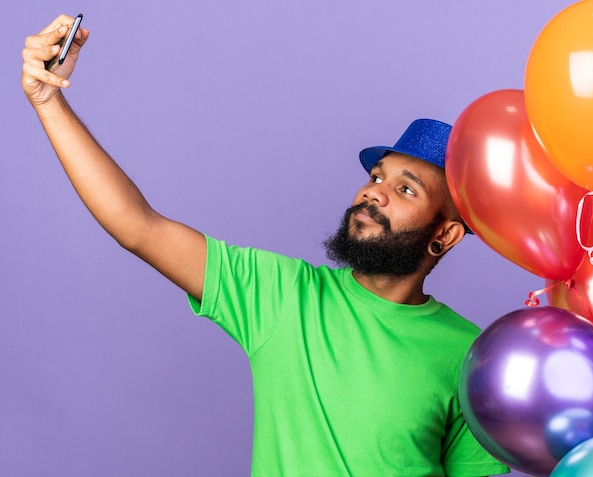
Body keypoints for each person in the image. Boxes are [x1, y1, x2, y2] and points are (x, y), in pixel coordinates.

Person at [21, 14, 509, 477]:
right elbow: (138, 226)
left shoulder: (472, 354)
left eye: (406, 189)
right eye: (376, 176)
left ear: (444, 235)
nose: (372, 191)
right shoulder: (283, 296)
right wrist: (48, 101)